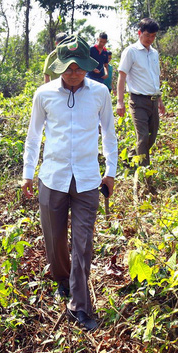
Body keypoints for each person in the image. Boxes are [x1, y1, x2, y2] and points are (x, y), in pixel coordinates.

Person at [22, 34, 117, 332]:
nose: (74, 74)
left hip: (88, 178)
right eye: (68, 68)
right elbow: (34, 135)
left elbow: (109, 134)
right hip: (53, 176)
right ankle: (63, 278)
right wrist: (28, 172)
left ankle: (79, 304)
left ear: (88, 67)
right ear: (58, 67)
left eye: (79, 68)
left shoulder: (100, 93)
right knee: (55, 239)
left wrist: (111, 171)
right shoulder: (44, 94)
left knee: (83, 242)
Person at [116, 18, 165, 166]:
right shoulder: (131, 51)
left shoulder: (154, 53)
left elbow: (156, 78)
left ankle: (128, 157)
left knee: (152, 137)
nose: (150, 39)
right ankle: (145, 174)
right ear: (139, 33)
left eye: (153, 36)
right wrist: (120, 102)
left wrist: (160, 101)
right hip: (138, 101)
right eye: (147, 35)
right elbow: (122, 76)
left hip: (153, 100)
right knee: (143, 137)